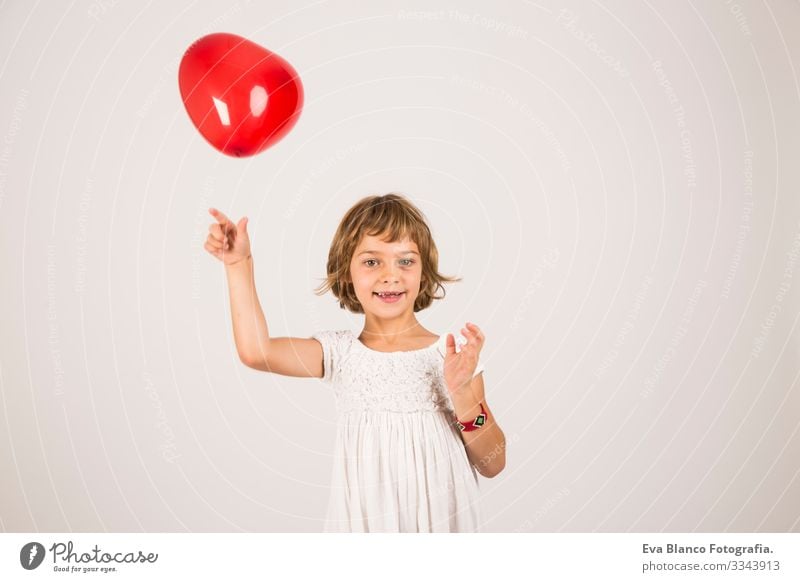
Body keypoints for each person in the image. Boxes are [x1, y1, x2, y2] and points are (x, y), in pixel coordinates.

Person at [204, 192, 506, 532]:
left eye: (405, 261)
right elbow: (256, 351)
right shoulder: (340, 353)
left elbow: (492, 462)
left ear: (424, 271)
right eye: (372, 262)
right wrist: (237, 265)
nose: (390, 275)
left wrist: (462, 391)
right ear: (346, 271)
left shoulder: (452, 356)